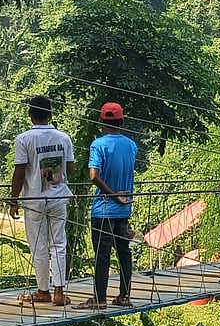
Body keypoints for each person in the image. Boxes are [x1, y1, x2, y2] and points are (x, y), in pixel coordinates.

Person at [9, 95, 74, 306]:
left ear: (30, 116)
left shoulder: (24, 139)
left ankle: (42, 291)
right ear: (51, 114)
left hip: (34, 200)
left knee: (38, 246)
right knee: (59, 244)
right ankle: (59, 292)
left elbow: (19, 173)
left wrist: (13, 200)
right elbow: (70, 169)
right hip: (58, 197)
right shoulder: (63, 138)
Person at [75, 102, 137, 310]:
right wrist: (121, 198)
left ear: (101, 121)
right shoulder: (131, 145)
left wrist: (112, 196)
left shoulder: (98, 144)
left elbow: (94, 176)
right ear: (122, 120)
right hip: (124, 209)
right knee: (123, 252)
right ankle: (124, 295)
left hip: (103, 208)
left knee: (102, 253)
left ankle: (99, 298)